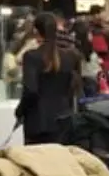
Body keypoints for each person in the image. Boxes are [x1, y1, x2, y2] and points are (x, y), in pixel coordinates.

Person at [16, 12, 79, 145]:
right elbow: (72, 87)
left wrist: (20, 111)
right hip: (64, 118)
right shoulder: (70, 56)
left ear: (36, 31)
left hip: (38, 121)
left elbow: (31, 90)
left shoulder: (31, 57)